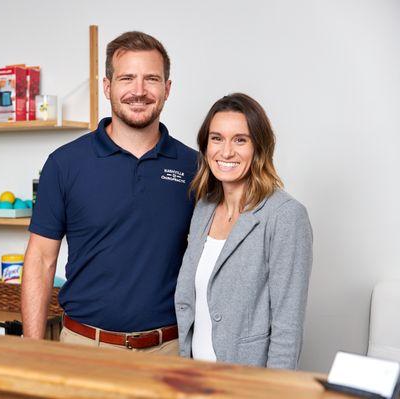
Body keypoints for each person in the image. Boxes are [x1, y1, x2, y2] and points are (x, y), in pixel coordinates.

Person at [21, 31, 197, 355]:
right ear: (107, 86)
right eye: (127, 78)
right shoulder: (65, 164)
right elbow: (41, 260)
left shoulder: (194, 166)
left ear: (167, 89)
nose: (139, 91)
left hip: (169, 350)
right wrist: (33, 352)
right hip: (85, 347)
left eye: (152, 79)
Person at [174, 93, 312, 369]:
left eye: (240, 140)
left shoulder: (285, 216)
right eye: (217, 138)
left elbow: (287, 326)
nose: (226, 152)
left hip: (247, 382)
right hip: (195, 377)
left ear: (258, 147)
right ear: (205, 145)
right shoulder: (203, 208)